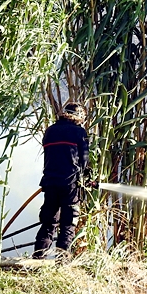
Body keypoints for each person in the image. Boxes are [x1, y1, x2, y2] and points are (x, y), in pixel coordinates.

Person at [32, 102, 90, 260]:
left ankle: (38, 259)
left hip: (49, 183)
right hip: (69, 185)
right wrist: (86, 177)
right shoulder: (79, 132)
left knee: (48, 222)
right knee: (68, 223)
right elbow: (84, 161)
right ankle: (62, 261)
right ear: (79, 117)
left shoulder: (50, 131)